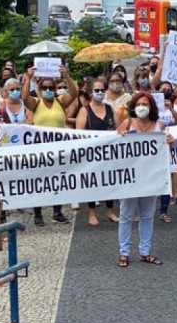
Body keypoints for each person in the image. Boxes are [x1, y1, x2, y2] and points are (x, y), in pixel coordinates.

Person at [115, 93, 167, 266]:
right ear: (133, 107)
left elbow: (166, 147)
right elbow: (115, 145)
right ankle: (124, 252)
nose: (142, 106)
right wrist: (120, 135)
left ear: (151, 106)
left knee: (147, 216)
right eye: (139, 103)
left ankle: (145, 252)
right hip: (130, 178)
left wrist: (169, 141)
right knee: (126, 215)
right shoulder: (128, 122)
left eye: (146, 103)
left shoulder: (159, 125)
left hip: (150, 178)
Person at [24, 70, 74, 225]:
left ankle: (57, 212)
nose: (48, 90)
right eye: (44, 87)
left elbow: (74, 92)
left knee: (57, 181)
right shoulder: (36, 103)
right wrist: (28, 78)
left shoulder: (60, 101)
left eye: (51, 87)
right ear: (39, 88)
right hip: (40, 151)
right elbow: (24, 97)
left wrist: (66, 76)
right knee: (39, 182)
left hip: (58, 150)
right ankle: (38, 214)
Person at [76, 78, 118, 227]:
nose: (99, 93)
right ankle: (92, 213)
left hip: (108, 152)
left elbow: (117, 129)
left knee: (110, 181)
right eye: (96, 90)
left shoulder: (110, 108)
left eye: (102, 90)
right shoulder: (84, 110)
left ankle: (110, 211)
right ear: (91, 92)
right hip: (91, 153)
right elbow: (79, 132)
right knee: (92, 182)